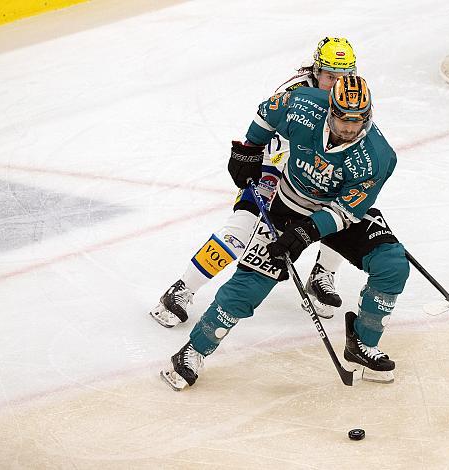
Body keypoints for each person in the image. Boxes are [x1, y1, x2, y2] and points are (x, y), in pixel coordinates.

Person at [160, 75, 410, 391]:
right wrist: (249, 150)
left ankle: (362, 344)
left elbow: (346, 212)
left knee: (392, 265)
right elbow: (266, 114)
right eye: (343, 119)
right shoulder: (303, 103)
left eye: (357, 121)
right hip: (288, 202)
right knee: (250, 284)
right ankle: (193, 350)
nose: (349, 128)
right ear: (329, 109)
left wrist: (306, 233)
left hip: (336, 211)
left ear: (369, 116)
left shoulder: (378, 157)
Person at [149, 38, 357, 328]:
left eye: (343, 77)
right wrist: (252, 160)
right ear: (317, 69)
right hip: (275, 167)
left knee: (345, 217)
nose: (336, 83)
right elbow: (267, 128)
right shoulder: (294, 93)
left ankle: (322, 274)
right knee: (243, 228)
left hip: (315, 173)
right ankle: (183, 288)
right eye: (330, 76)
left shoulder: (352, 95)